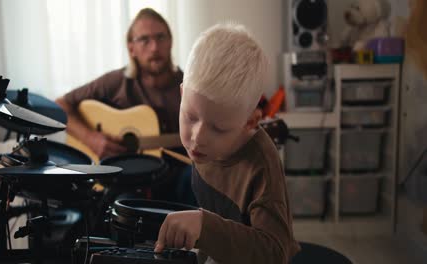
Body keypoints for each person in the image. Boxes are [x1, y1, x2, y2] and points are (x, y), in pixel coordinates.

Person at [154, 23, 300, 264]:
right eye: (190, 117)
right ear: (182, 95)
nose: (197, 137)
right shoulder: (204, 145)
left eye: (218, 128)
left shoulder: (261, 166)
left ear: (250, 122)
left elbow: (275, 253)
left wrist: (205, 226)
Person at [55, 8, 194, 204]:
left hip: (176, 180)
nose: (154, 47)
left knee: (197, 179)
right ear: (131, 49)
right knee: (120, 204)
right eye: (144, 40)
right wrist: (92, 139)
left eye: (161, 37)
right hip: (128, 181)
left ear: (170, 41)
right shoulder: (116, 82)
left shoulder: (189, 87)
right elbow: (60, 104)